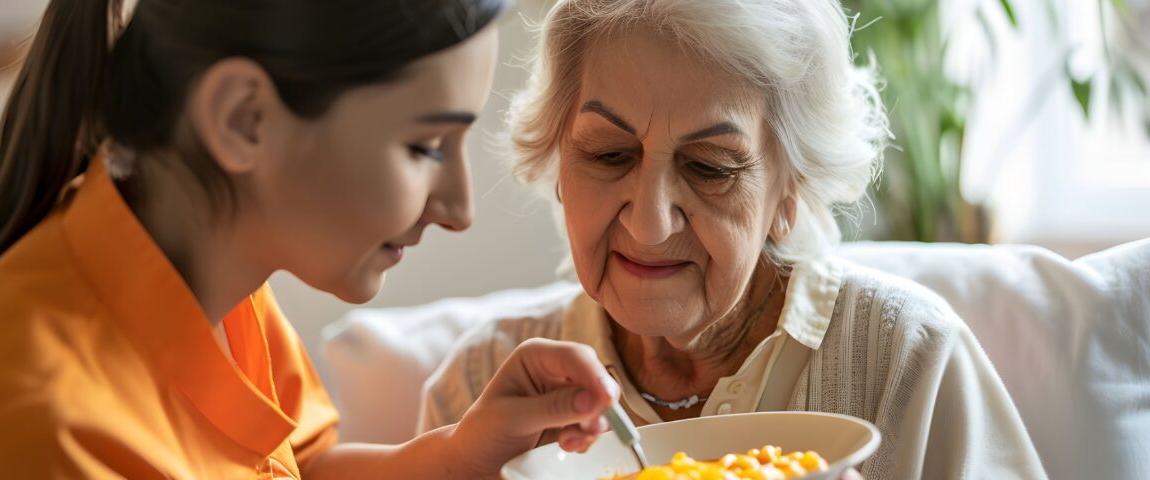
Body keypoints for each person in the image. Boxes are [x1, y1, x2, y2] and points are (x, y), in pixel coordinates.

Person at [0, 0, 619, 478]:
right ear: (244, 118)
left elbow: (301, 467)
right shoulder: (53, 437)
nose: (459, 209)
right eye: (423, 146)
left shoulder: (217, 281)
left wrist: (459, 455)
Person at [419, 0, 1048, 478]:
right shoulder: (476, 390)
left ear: (788, 192)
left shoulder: (908, 363)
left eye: (711, 167)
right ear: (559, 163)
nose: (649, 224)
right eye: (609, 154)